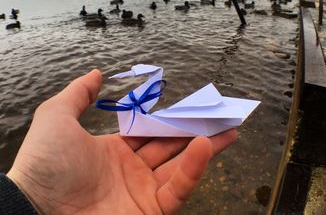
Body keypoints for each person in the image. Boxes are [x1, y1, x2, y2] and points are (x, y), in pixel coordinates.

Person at [1, 70, 238, 214]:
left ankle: (221, 112)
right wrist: (29, 193)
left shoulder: (131, 116)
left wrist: (24, 195)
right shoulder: (130, 117)